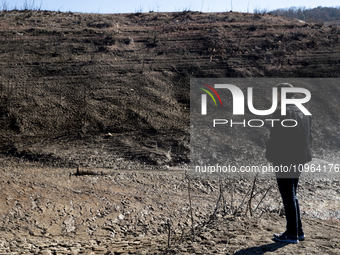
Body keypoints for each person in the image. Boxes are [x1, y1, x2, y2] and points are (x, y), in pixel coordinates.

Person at [265, 83, 313, 244]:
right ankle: (298, 231)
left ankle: (292, 234)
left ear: (281, 94)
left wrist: (270, 155)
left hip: (285, 158)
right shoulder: (303, 111)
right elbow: (306, 136)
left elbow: (277, 139)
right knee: (293, 194)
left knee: (288, 194)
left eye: (276, 94)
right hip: (300, 157)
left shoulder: (282, 111)